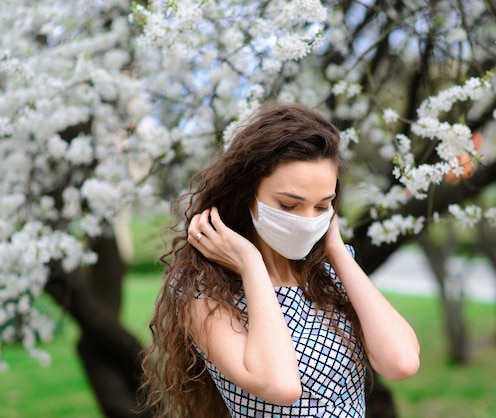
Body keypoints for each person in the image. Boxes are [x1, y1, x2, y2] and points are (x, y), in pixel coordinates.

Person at [141, 102, 420, 417]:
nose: (306, 220)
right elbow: (279, 385)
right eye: (289, 205)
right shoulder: (203, 290)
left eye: (322, 205)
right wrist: (252, 266)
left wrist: (338, 251)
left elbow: (401, 362)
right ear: (247, 193)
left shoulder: (327, 273)